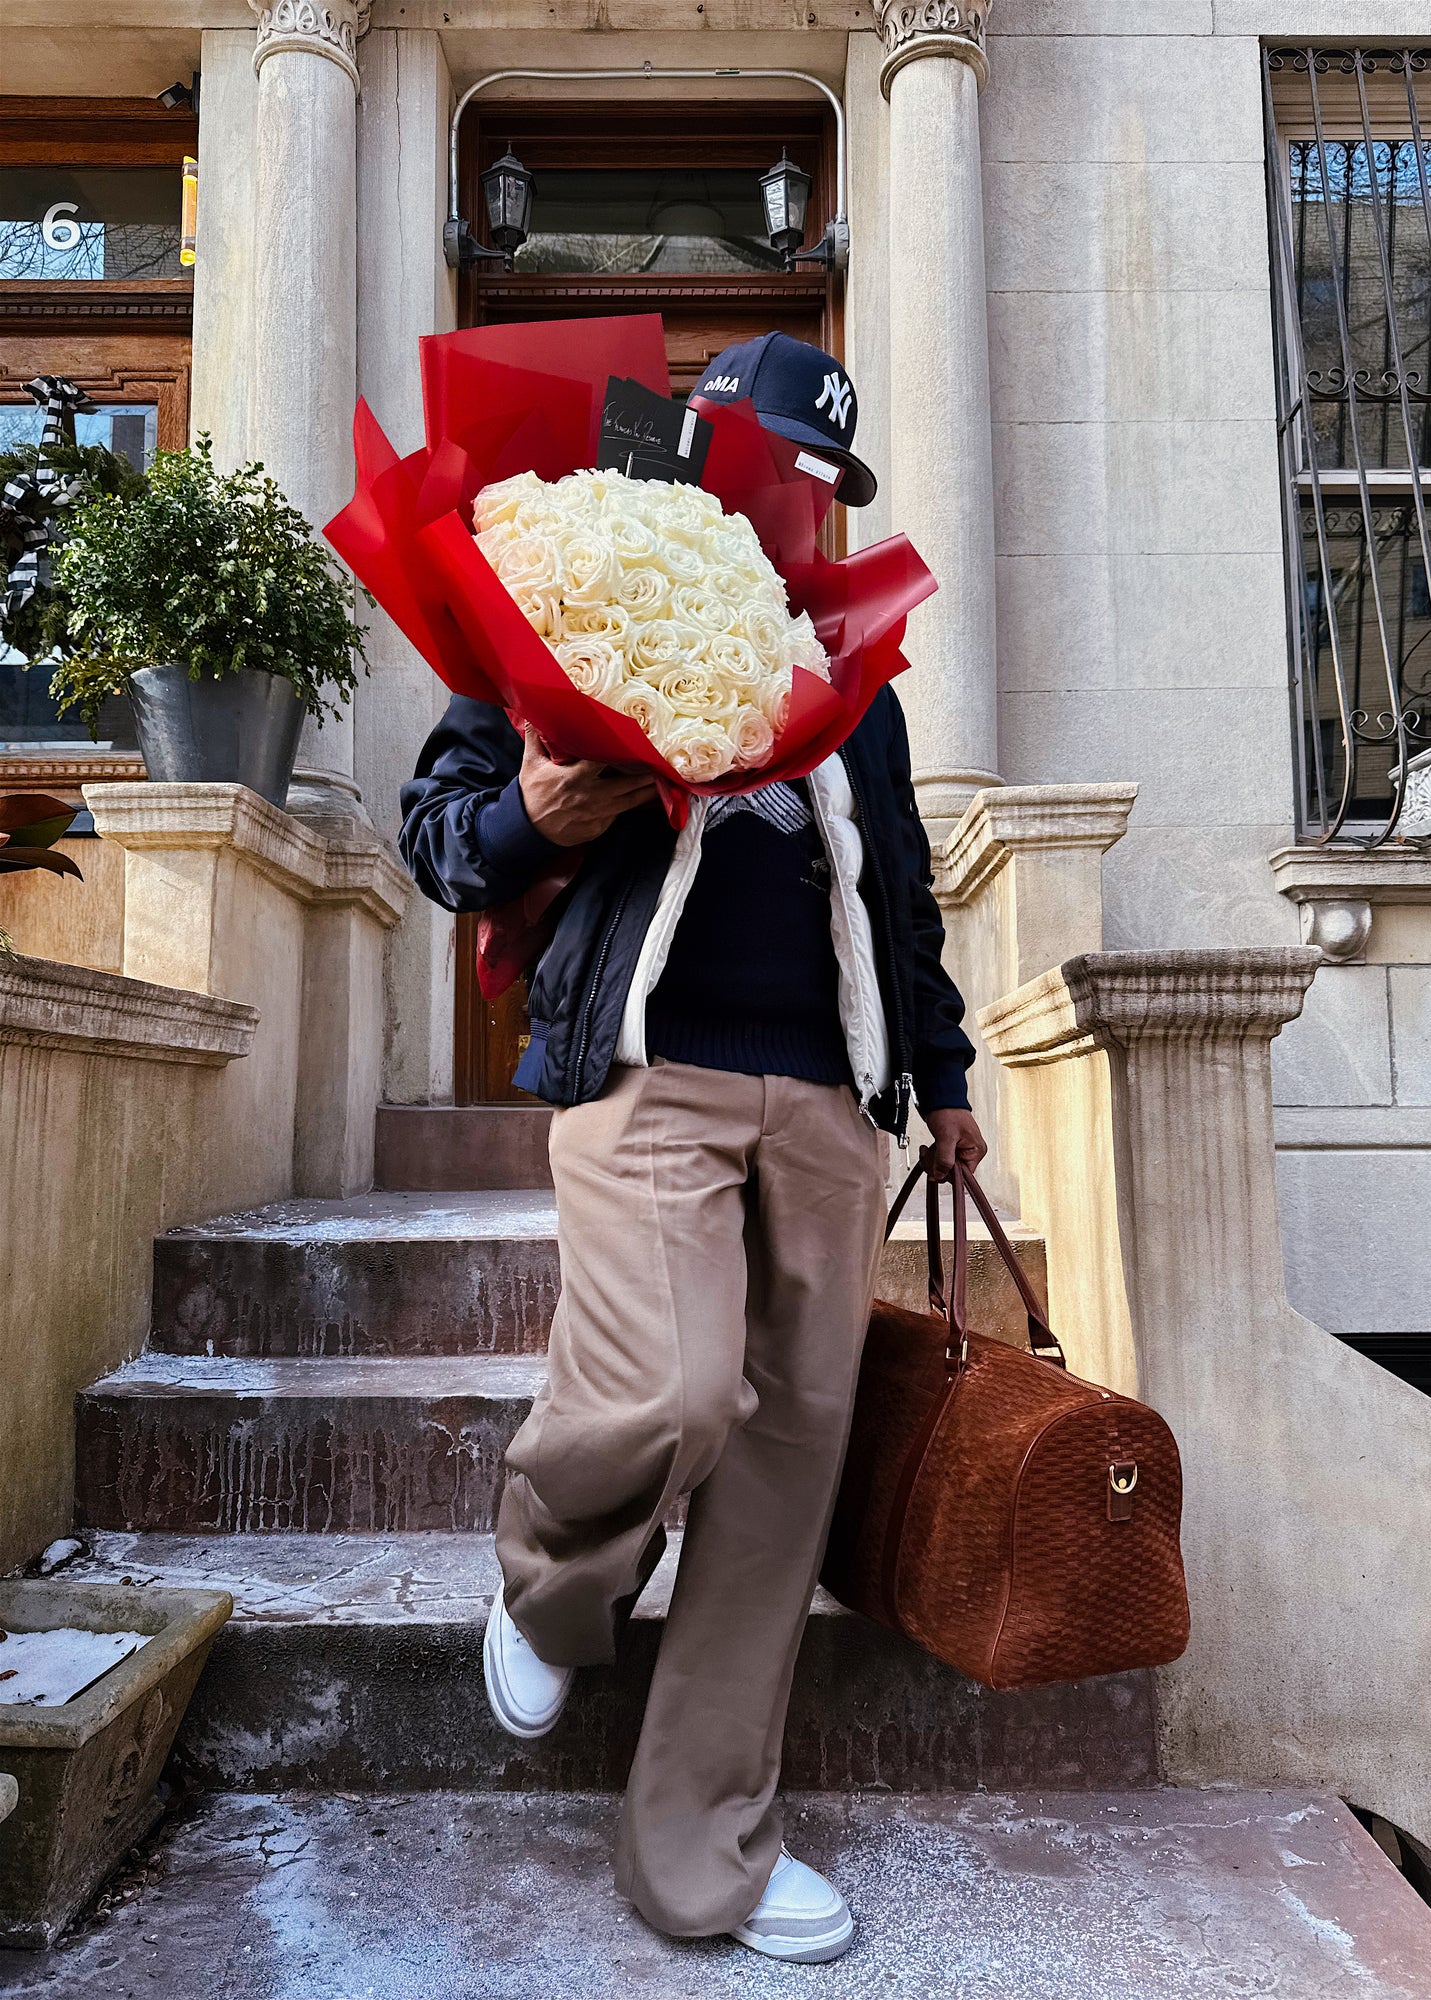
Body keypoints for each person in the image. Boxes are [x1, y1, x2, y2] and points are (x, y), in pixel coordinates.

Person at [399, 331, 986, 1964]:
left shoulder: (856, 670)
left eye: (829, 477)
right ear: (708, 449)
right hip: (652, 1069)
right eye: (785, 459)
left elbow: (903, 897)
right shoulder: (581, 579)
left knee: (786, 1475)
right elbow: (443, 836)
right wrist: (540, 817)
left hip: (832, 1098)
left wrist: (937, 1074)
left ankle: (703, 1857)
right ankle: (545, 1580)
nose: (805, 494)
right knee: (670, 1388)